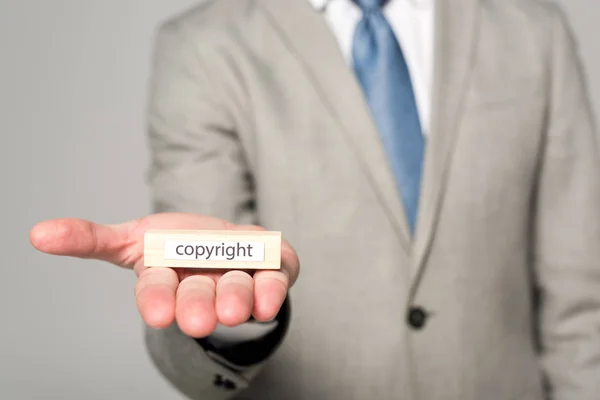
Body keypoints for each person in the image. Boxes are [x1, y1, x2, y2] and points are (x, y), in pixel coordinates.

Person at [29, 0, 600, 398]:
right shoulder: (202, 45)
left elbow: (582, 293)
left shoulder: (534, 31)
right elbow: (204, 278)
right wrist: (228, 321)